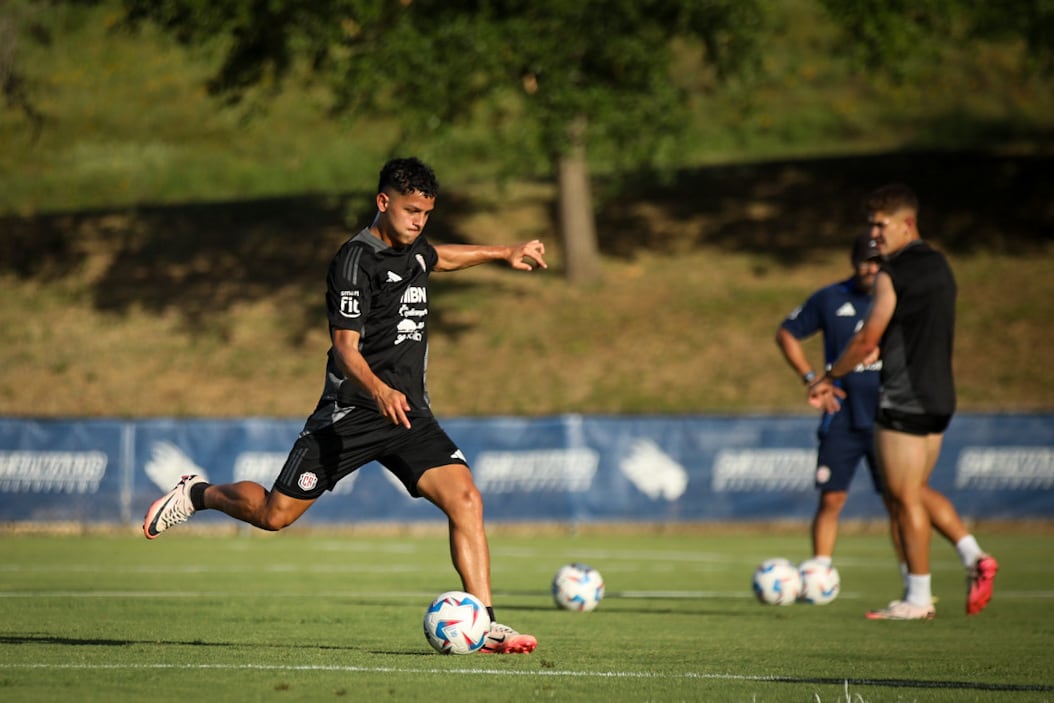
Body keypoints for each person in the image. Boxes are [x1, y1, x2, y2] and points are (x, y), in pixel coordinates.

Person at [144, 157, 546, 653]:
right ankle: (198, 493)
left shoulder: (414, 250)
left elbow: (438, 257)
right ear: (383, 202)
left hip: (408, 415)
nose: (419, 221)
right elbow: (344, 349)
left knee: (466, 500)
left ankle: (484, 624)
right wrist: (379, 390)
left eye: (426, 213)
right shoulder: (354, 261)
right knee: (273, 515)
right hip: (351, 415)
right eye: (411, 211)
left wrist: (504, 251)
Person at [809, 184, 998, 620]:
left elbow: (866, 339)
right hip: (940, 394)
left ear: (907, 223)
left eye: (881, 225)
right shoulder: (940, 265)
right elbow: (918, 326)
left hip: (903, 395)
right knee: (916, 490)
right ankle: (973, 556)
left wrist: (829, 378)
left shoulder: (892, 273)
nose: (874, 234)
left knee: (903, 498)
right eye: (871, 225)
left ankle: (917, 599)